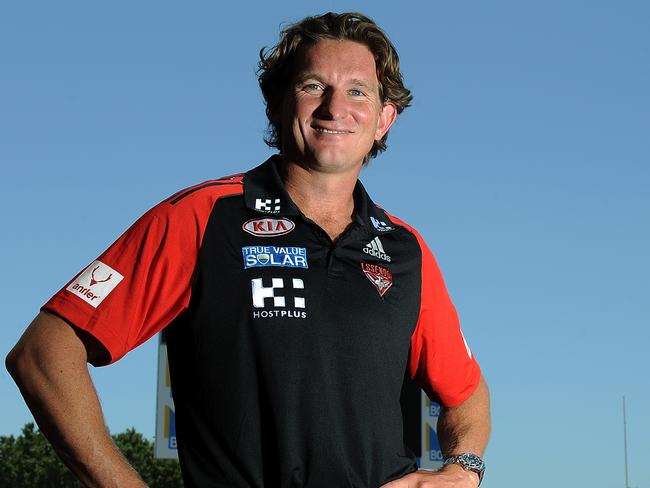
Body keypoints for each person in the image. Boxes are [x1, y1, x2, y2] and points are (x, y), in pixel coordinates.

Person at [6, 11, 490, 488]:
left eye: (358, 91)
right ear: (276, 103)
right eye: (313, 86)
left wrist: (462, 469)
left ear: (384, 119)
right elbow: (42, 352)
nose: (335, 107)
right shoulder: (201, 217)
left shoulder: (406, 249)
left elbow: (467, 392)